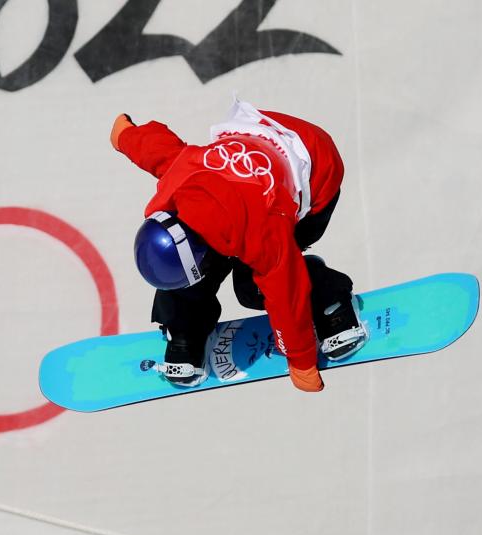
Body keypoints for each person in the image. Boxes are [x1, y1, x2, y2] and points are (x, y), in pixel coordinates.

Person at [111, 99, 366, 393]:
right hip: (251, 150)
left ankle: (328, 299)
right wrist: (125, 135)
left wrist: (301, 360)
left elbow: (286, 290)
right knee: (186, 283)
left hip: (316, 167)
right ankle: (186, 328)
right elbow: (155, 148)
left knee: (253, 287)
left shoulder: (264, 234)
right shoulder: (180, 176)